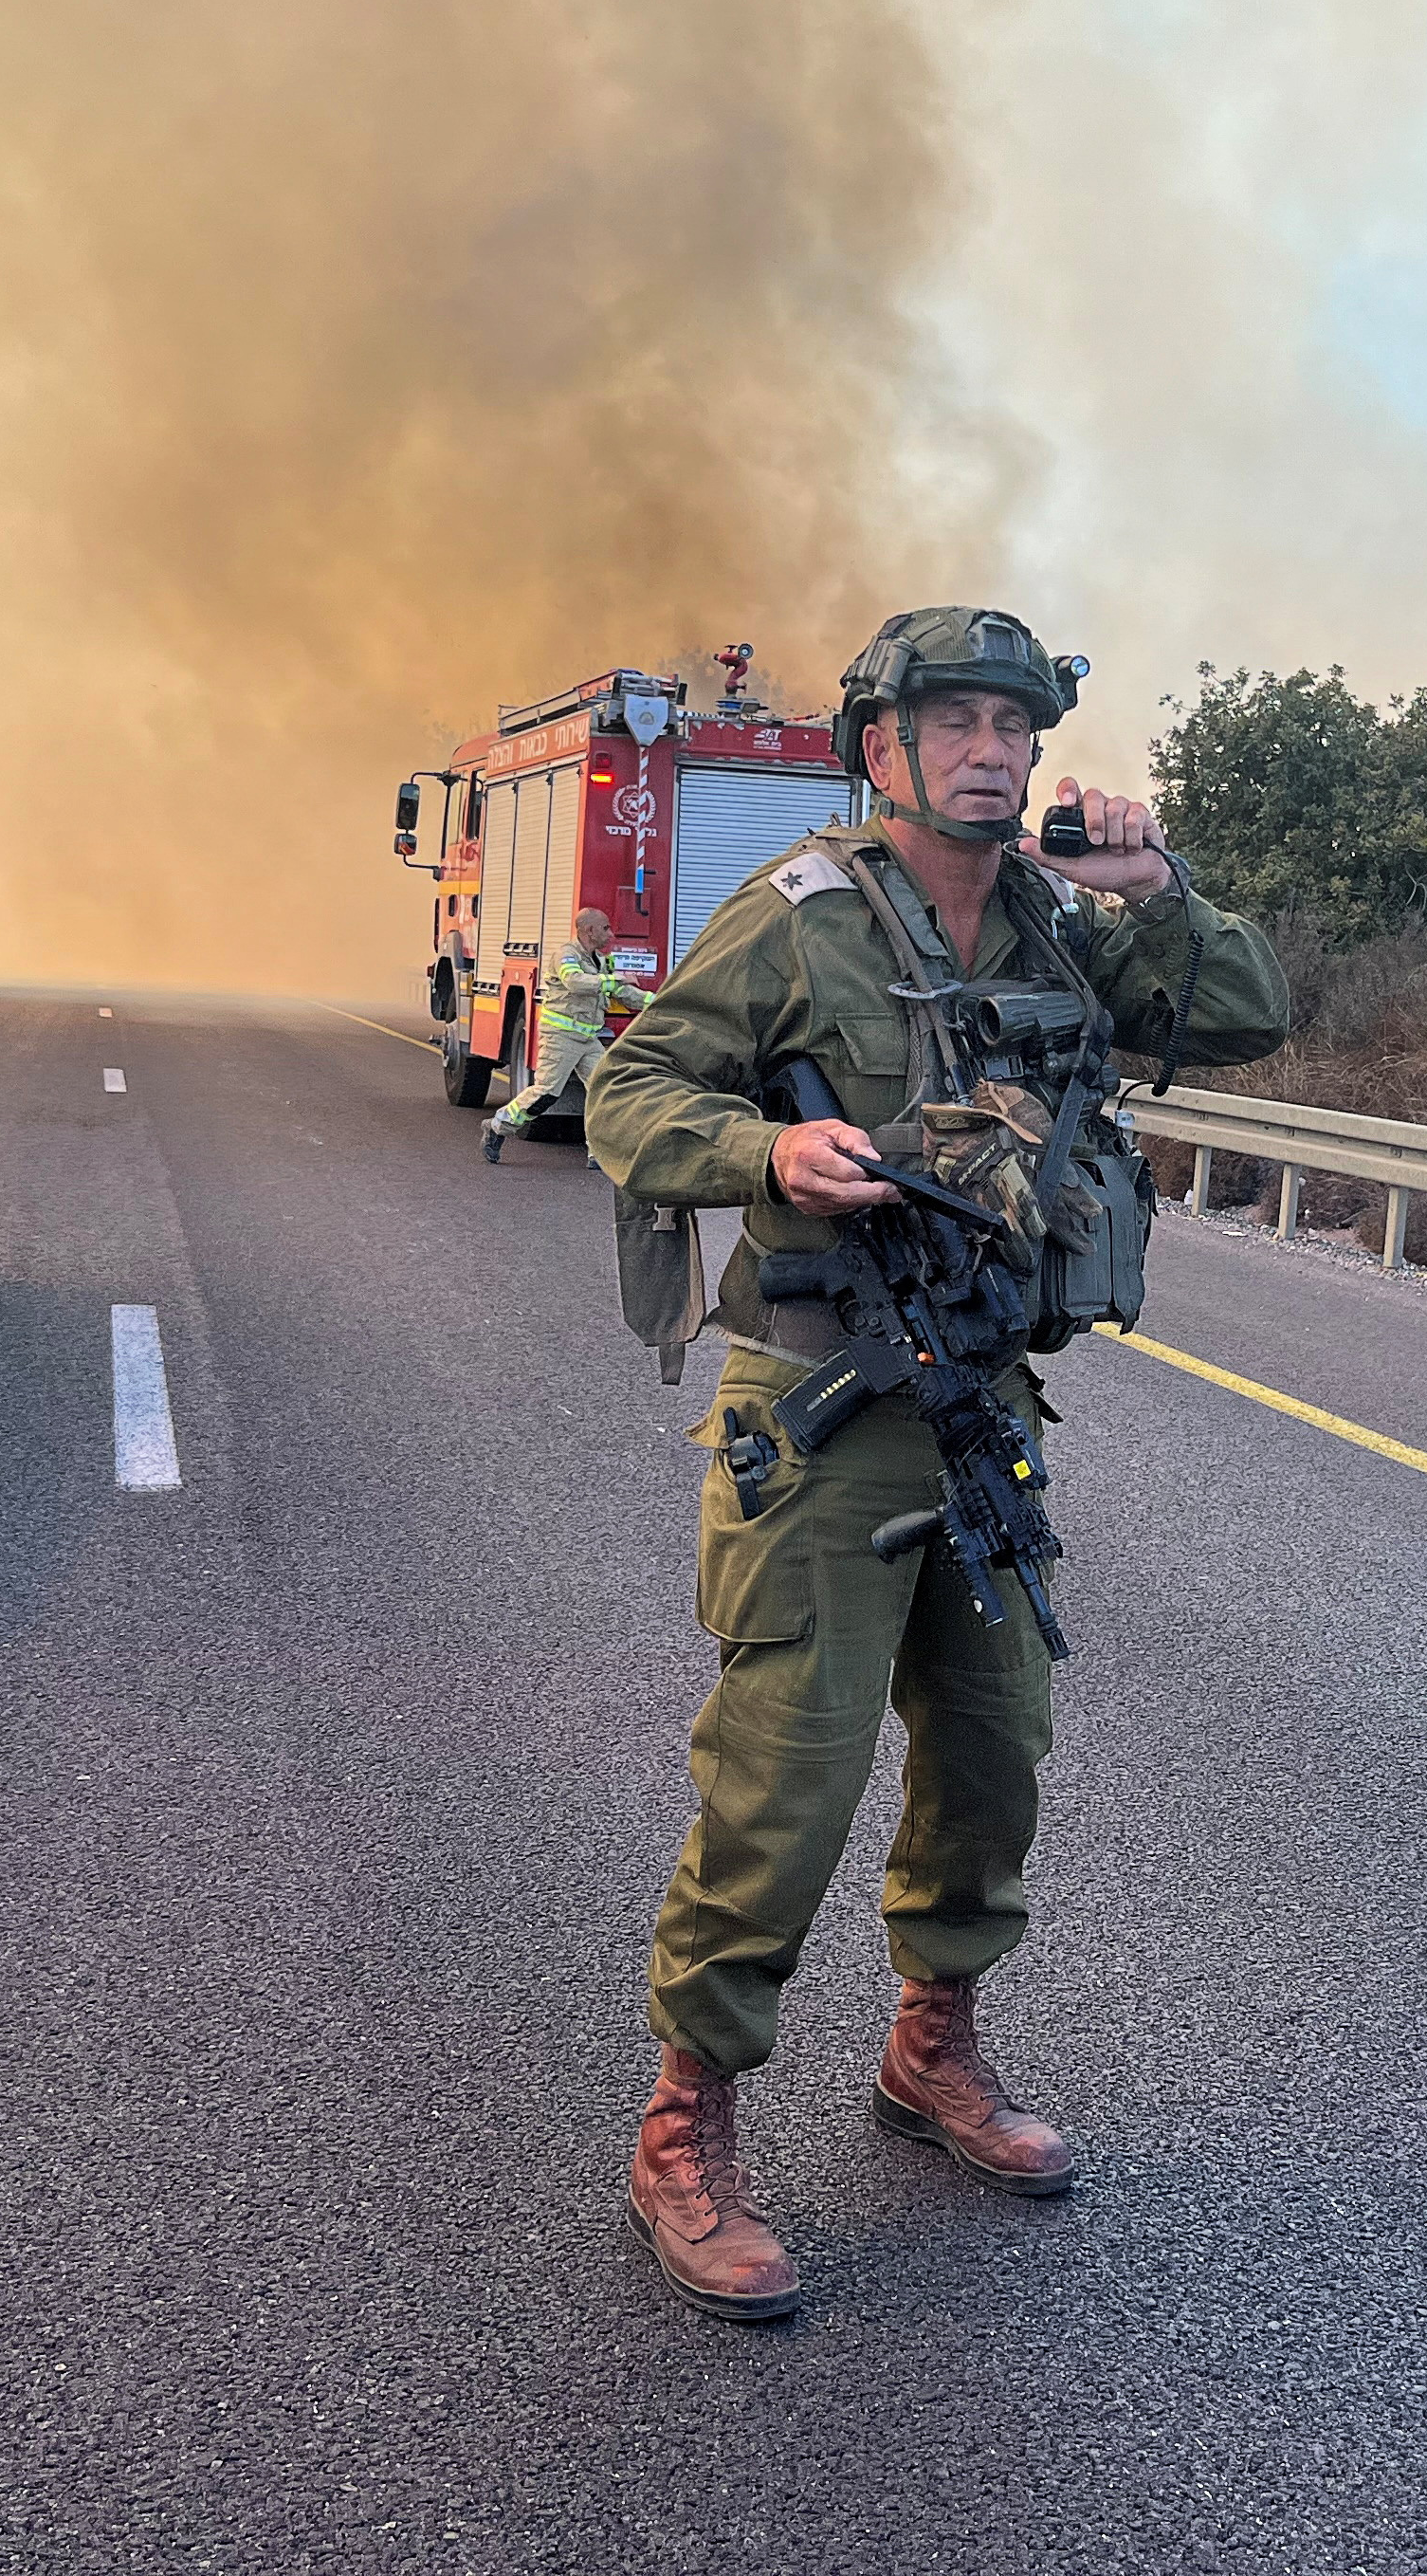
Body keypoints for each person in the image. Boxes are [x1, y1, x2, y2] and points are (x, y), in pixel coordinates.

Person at [584, 605, 1290, 2320]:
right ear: (879, 748)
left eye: (1016, 722)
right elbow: (629, 1088)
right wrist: (767, 1143)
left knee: (992, 1752)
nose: (991, 747)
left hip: (982, 1403)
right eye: (954, 719)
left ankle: (933, 2050)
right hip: (818, 1414)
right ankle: (688, 2117)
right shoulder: (800, 923)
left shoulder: (1061, 922)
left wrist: (1160, 882)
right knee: (786, 1779)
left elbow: (1253, 1015)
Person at [485, 907, 652, 1163]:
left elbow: (624, 993)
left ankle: (597, 1154)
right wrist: (613, 980)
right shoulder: (566, 955)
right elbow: (575, 982)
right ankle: (498, 1126)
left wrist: (656, 1001)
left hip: (588, 1040)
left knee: (603, 1090)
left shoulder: (603, 960)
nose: (611, 933)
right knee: (547, 1094)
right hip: (561, 1037)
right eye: (606, 928)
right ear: (589, 931)